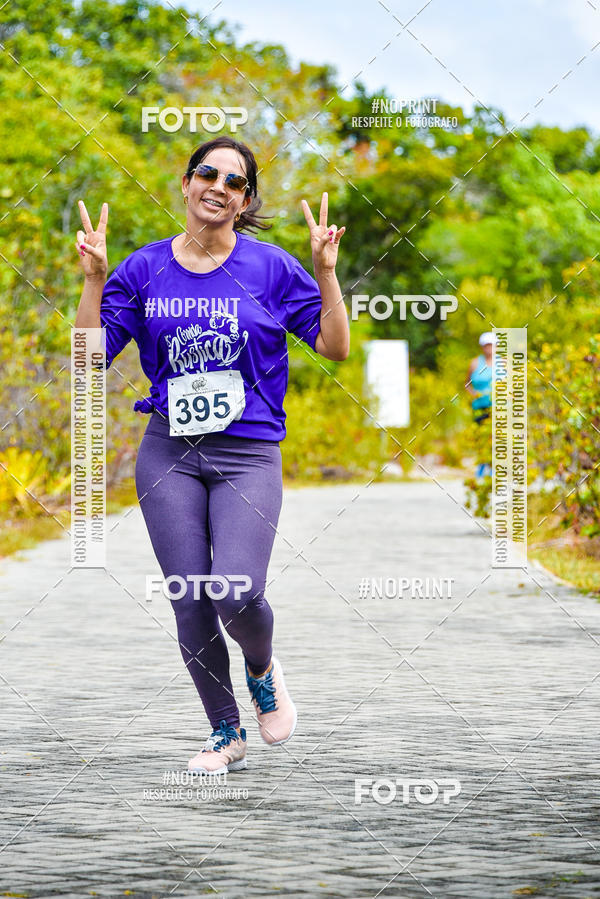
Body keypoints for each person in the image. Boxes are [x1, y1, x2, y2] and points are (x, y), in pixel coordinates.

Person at [74, 136, 349, 774]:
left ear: (244, 199)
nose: (218, 186)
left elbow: (334, 347)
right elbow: (88, 362)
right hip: (169, 451)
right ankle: (225, 732)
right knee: (189, 595)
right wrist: (92, 280)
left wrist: (327, 271)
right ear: (187, 182)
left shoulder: (271, 268)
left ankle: (261, 666)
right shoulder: (142, 270)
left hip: (249, 453)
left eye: (234, 181)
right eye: (208, 173)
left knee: (236, 590)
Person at [465, 332, 497, 478]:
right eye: (486, 345)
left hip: (497, 407)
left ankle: (494, 467)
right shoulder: (475, 363)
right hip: (479, 407)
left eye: (491, 345)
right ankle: (481, 466)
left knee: (495, 437)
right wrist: (473, 395)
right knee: (480, 437)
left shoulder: (502, 363)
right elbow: (467, 384)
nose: (488, 348)